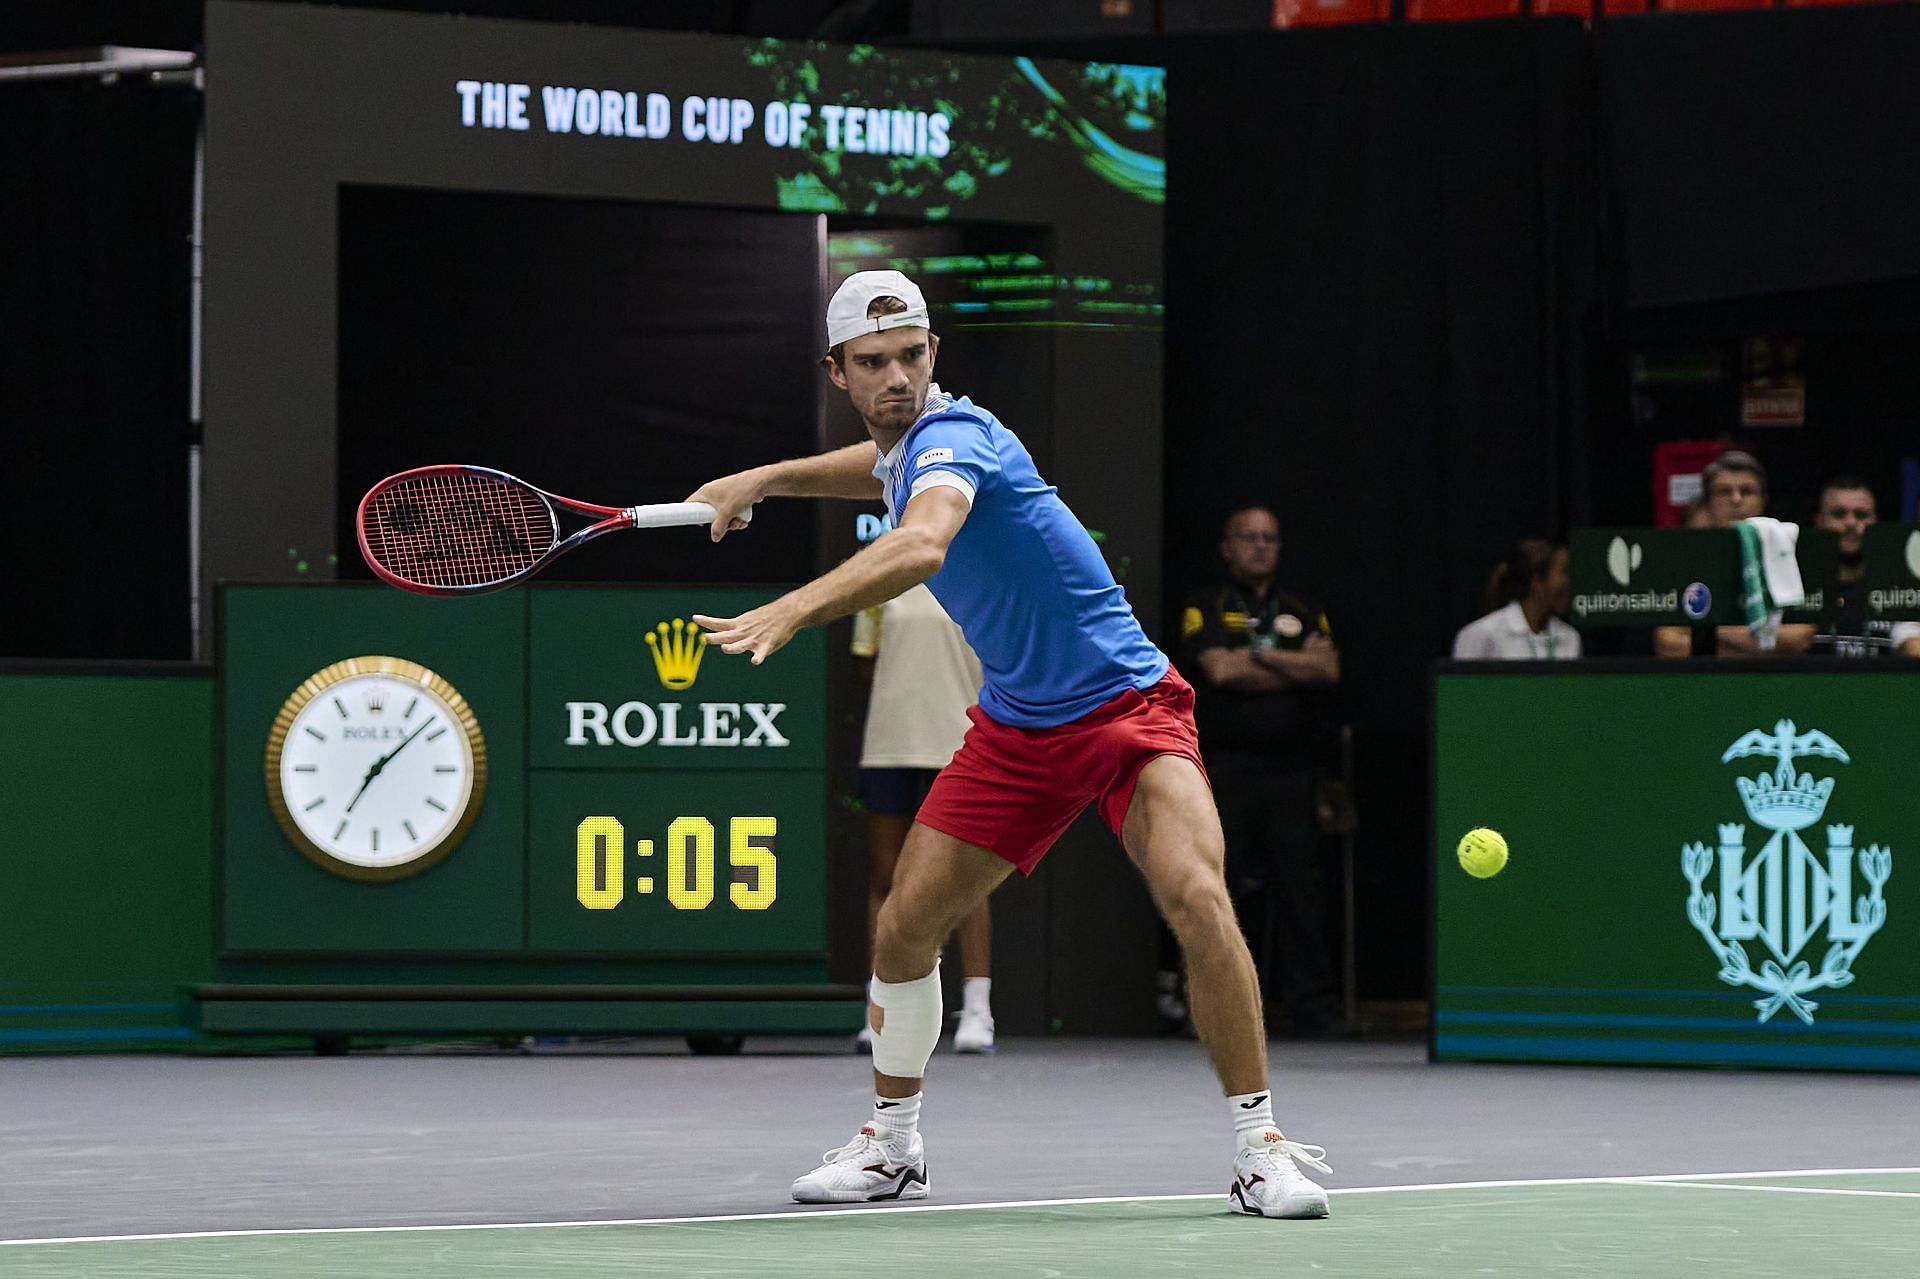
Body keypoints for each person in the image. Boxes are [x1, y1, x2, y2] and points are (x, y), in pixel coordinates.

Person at [687, 269, 1332, 1219]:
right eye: (874, 363)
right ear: (839, 372)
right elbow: (875, 465)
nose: (897, 376)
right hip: (1020, 728)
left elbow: (920, 545)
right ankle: (893, 1148)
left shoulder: (959, 436)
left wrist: (792, 604)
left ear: (935, 355)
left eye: (912, 355)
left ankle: (1259, 1145)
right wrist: (767, 479)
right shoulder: (904, 447)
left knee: (1197, 893)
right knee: (905, 922)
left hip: (1128, 709)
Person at [1180, 506, 1342, 1035]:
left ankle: (1311, 1009)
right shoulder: (1205, 605)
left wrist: (1257, 657)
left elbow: (1328, 668)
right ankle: (1218, 1008)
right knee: (1218, 887)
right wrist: (1290, 664)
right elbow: (1219, 670)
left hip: (1292, 772)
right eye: (1248, 537)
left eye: (1269, 538)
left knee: (1301, 890)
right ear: (1227, 546)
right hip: (1224, 770)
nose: (1259, 546)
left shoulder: (1302, 607)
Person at [854, 582, 995, 1053]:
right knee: (885, 873)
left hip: (960, 742)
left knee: (965, 877)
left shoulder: (983, 577)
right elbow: (867, 659)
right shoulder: (881, 576)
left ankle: (977, 1010)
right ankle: (880, 1009)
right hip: (889, 743)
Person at [1654, 450, 1814, 658]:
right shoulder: (1685, 559)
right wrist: (1762, 640)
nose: (1736, 500)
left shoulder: (1788, 551)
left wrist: (1706, 631)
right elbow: (1669, 644)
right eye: (1723, 492)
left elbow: (1798, 639)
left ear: (1763, 500)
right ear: (1708, 503)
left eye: (1746, 491)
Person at [1806, 477, 1920, 659]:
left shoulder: (1898, 592)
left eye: (1861, 515)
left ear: (1875, 523)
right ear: (1819, 521)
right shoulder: (1797, 588)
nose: (1851, 523)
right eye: (1839, 514)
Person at [1452, 540, 1581, 660]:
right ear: (1536, 581)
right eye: (1565, 572)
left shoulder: (1570, 637)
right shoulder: (1481, 635)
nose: (1571, 583)